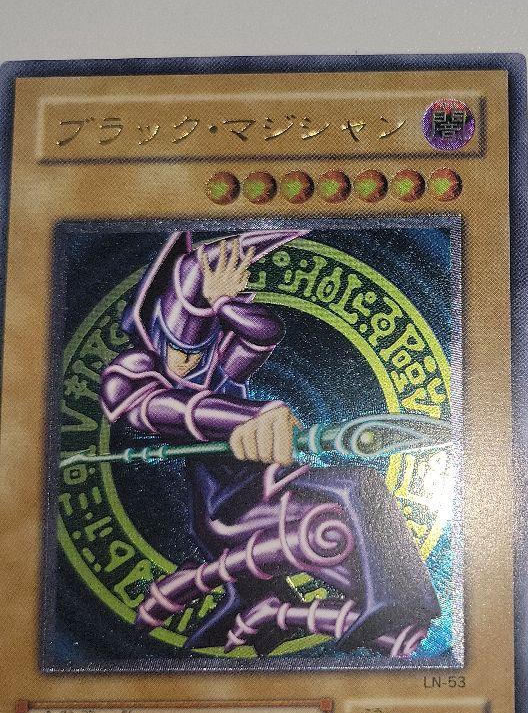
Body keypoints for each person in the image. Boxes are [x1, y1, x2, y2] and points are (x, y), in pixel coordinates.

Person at [100, 228, 439, 657]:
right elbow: (166, 409)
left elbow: (263, 333)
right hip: (228, 507)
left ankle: (377, 605)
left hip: (263, 484)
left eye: (197, 352)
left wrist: (222, 304)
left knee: (355, 492)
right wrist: (249, 418)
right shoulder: (133, 377)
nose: (189, 365)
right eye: (179, 353)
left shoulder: (215, 367)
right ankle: (371, 608)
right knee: (343, 504)